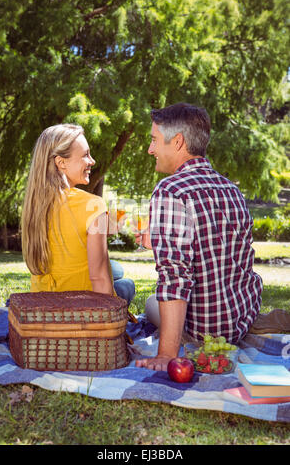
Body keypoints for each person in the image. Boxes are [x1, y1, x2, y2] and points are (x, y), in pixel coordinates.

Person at [135, 103, 290, 371]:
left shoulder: (171, 190)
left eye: (154, 140)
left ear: (178, 141)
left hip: (205, 329)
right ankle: (263, 323)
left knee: (151, 303)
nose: (150, 149)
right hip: (241, 317)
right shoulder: (232, 190)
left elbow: (175, 276)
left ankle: (182, 339)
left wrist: (166, 355)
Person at [21, 123, 135, 305]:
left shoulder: (34, 205)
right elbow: (99, 279)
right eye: (85, 155)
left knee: (117, 269)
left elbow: (68, 234)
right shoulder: (92, 203)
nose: (92, 161)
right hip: (81, 308)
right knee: (126, 284)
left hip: (43, 305)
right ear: (61, 162)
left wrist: (104, 228)